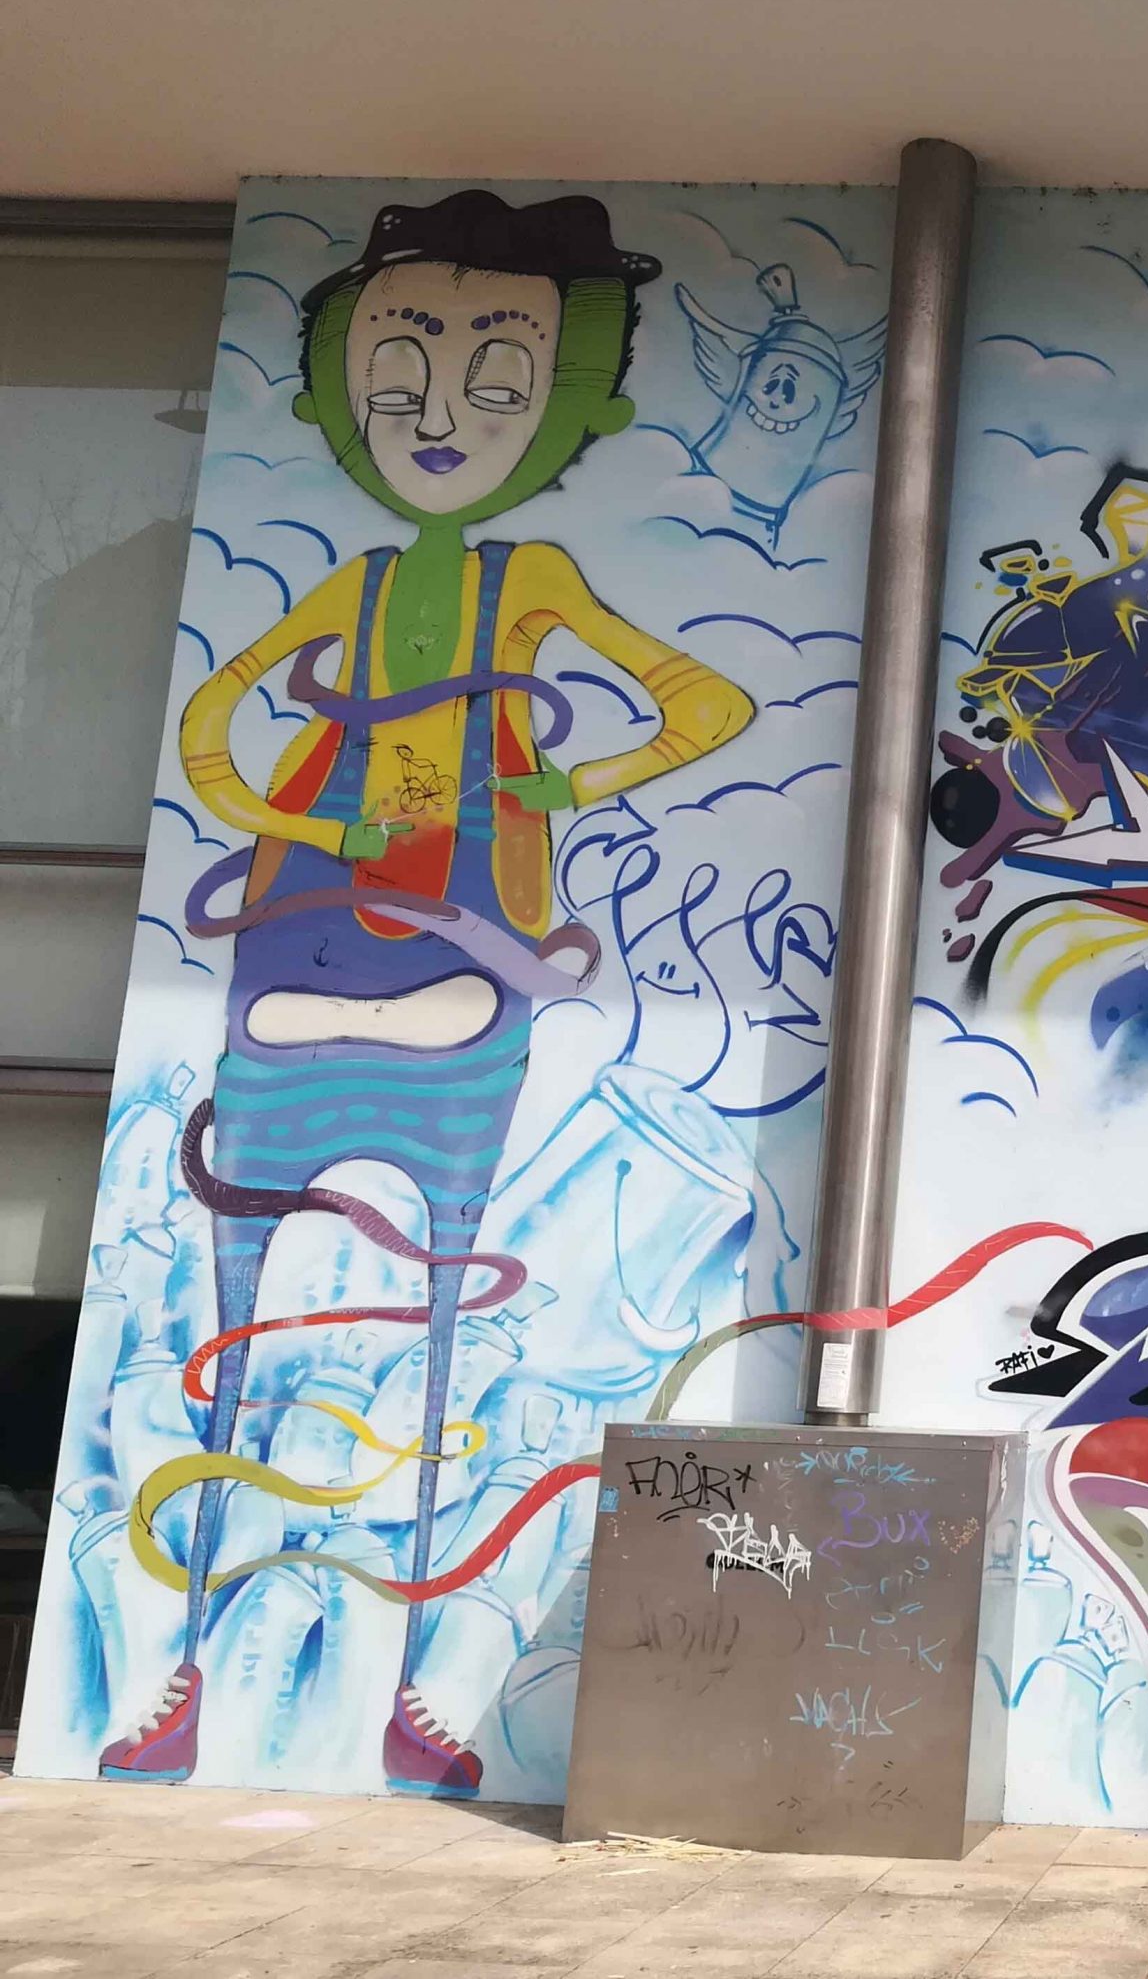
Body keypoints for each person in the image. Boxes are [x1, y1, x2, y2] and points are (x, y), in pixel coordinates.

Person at [100, 190, 754, 1795]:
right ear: (333, 396)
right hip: (305, 950)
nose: (440, 413)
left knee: (445, 1319)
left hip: (453, 965)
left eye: (499, 378)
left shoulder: (529, 581)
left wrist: (557, 783)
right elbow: (210, 736)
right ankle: (188, 1678)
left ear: (579, 408)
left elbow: (707, 703)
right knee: (242, 1314)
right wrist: (330, 828)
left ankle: (411, 1690)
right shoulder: (357, 590)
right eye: (395, 375)